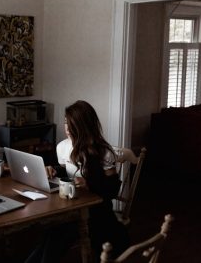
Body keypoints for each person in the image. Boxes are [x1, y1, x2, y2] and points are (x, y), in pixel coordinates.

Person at [26, 100, 129, 262]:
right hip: (70, 206)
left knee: (56, 236)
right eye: (66, 122)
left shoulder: (103, 152)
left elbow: (113, 188)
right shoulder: (62, 147)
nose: (66, 128)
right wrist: (53, 170)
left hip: (94, 211)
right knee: (49, 236)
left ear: (83, 125)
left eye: (71, 123)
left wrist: (89, 184)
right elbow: (66, 170)